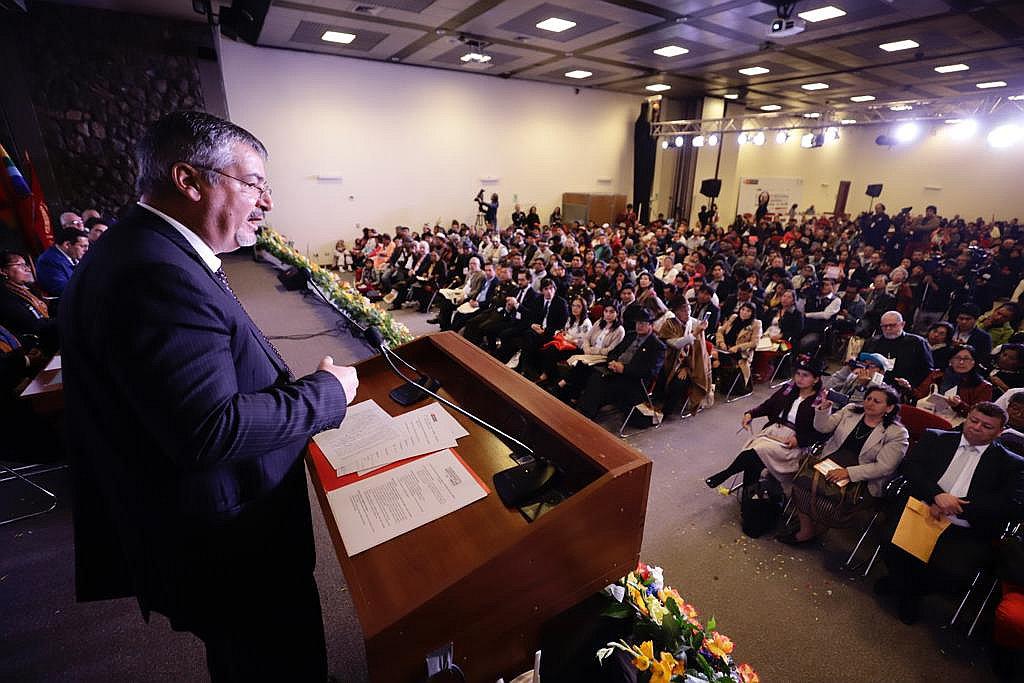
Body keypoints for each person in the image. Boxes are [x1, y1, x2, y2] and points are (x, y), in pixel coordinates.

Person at [59, 111, 360, 681]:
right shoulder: (153, 271)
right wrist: (326, 393)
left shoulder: (138, 248)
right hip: (229, 544)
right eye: (253, 184)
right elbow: (207, 429)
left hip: (199, 529)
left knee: (250, 660)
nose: (266, 202)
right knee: (272, 656)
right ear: (189, 181)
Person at [876, 403, 1024, 625]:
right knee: (889, 540)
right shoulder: (936, 437)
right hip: (922, 509)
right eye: (973, 420)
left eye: (986, 426)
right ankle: (903, 585)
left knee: (953, 575)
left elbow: (1009, 504)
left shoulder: (1011, 463)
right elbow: (911, 468)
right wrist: (936, 496)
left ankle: (911, 590)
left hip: (965, 526)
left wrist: (954, 506)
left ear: (1000, 432)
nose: (976, 427)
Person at [782, 385, 909, 544]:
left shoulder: (897, 433)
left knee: (835, 500)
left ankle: (821, 526)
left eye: (877, 401)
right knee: (801, 483)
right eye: (868, 398)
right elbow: (822, 427)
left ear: (889, 408)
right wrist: (823, 409)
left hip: (863, 477)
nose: (869, 403)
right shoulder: (850, 410)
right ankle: (807, 529)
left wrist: (849, 473)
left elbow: (885, 467)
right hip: (831, 462)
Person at [705, 359, 827, 494]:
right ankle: (749, 497)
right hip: (774, 431)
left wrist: (800, 440)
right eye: (798, 373)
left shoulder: (821, 402)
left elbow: (821, 432)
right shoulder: (788, 389)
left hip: (793, 443)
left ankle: (726, 474)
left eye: (805, 375)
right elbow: (768, 405)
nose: (799, 378)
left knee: (756, 451)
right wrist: (750, 414)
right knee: (754, 459)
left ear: (816, 379)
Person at [577, 308, 665, 420]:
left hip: (635, 381)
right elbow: (614, 352)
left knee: (601, 383)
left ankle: (586, 415)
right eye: (637, 323)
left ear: (651, 325)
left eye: (643, 323)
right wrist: (613, 362)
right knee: (594, 375)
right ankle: (584, 412)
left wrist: (624, 369)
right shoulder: (631, 335)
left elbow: (650, 372)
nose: (639, 326)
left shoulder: (657, 346)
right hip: (615, 370)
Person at [0, 250, 59, 352]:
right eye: (20, 265)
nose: (28, 269)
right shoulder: (5, 298)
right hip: (35, 348)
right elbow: (33, 325)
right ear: (4, 271)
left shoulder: (28, 289)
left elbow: (48, 306)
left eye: (26, 265)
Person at [912, 345, 993, 419]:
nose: (961, 362)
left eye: (966, 359)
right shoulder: (936, 375)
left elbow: (979, 415)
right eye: (957, 358)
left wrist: (959, 405)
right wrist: (907, 388)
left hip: (955, 424)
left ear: (974, 362)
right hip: (926, 414)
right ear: (950, 361)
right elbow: (919, 395)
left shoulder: (984, 386)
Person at [863, 311, 934, 388]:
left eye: (892, 325)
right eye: (884, 326)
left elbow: (927, 370)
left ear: (902, 324)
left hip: (906, 388)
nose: (888, 328)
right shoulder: (872, 342)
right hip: (874, 386)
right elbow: (862, 362)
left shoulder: (917, 342)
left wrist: (910, 384)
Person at [537, 295, 592, 384]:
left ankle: (552, 378)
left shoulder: (586, 323)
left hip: (576, 349)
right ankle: (551, 376)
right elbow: (565, 332)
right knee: (548, 348)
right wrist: (565, 336)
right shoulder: (571, 318)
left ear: (583, 308)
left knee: (551, 351)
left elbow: (583, 343)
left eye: (578, 306)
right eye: (573, 305)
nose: (575, 308)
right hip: (566, 344)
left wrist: (570, 339)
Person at [715, 302, 762, 394]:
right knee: (713, 358)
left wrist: (737, 347)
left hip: (741, 354)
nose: (744, 312)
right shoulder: (734, 318)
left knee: (715, 359)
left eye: (748, 311)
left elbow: (754, 343)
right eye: (743, 309)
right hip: (725, 349)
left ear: (752, 313)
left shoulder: (756, 324)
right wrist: (721, 342)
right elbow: (720, 331)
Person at [35, 227, 90, 296]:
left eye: (87, 246)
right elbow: (62, 289)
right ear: (67, 245)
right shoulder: (49, 260)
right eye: (82, 246)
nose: (86, 250)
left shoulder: (72, 256)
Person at [824, 352, 890, 404]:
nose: (865, 368)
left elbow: (857, 407)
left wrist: (861, 387)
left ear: (881, 372)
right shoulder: (854, 378)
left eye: (871, 365)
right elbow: (828, 386)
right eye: (865, 364)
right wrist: (847, 369)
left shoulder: (882, 389)